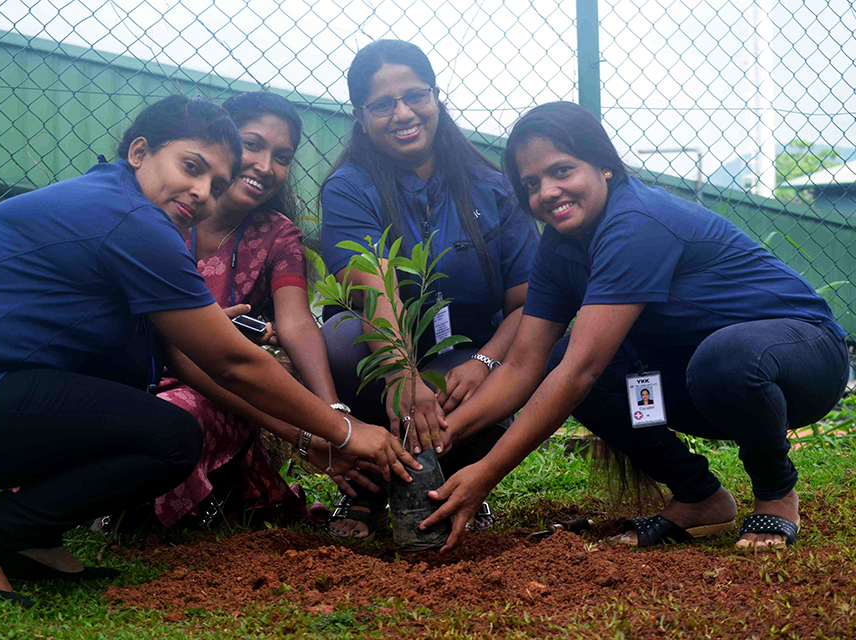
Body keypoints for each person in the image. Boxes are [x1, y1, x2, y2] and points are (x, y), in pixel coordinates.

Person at [0, 95, 417, 607]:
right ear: (140, 151)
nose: (200, 192)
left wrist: (307, 435)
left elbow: (188, 358)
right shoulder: (132, 220)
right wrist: (343, 430)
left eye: (215, 184)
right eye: (191, 166)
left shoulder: (115, 201)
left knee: (139, 403)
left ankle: (31, 537)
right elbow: (232, 364)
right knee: (167, 438)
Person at [420, 101, 849, 552]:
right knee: (562, 356)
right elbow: (523, 366)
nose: (547, 192)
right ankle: (699, 497)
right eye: (532, 183)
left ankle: (776, 496)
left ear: (603, 165)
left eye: (562, 171)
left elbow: (580, 372)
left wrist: (486, 472)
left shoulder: (635, 221)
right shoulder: (558, 249)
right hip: (698, 381)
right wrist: (441, 437)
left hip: (804, 358)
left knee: (714, 358)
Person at [319, 40, 538, 538]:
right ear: (360, 115)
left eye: (415, 96)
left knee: (514, 360)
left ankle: (457, 484)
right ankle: (369, 490)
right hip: (386, 350)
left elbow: (529, 304)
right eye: (382, 104)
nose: (402, 113)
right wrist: (403, 375)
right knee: (341, 340)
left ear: (437, 97)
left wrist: (484, 361)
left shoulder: (493, 186)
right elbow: (370, 286)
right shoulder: (350, 188)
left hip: (469, 356)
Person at [153, 91, 364, 527]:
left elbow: (296, 322)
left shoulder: (277, 234)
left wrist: (332, 414)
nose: (266, 167)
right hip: (135, 369)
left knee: (177, 417)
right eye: (253, 145)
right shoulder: (161, 212)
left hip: (215, 386)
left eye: (282, 156)